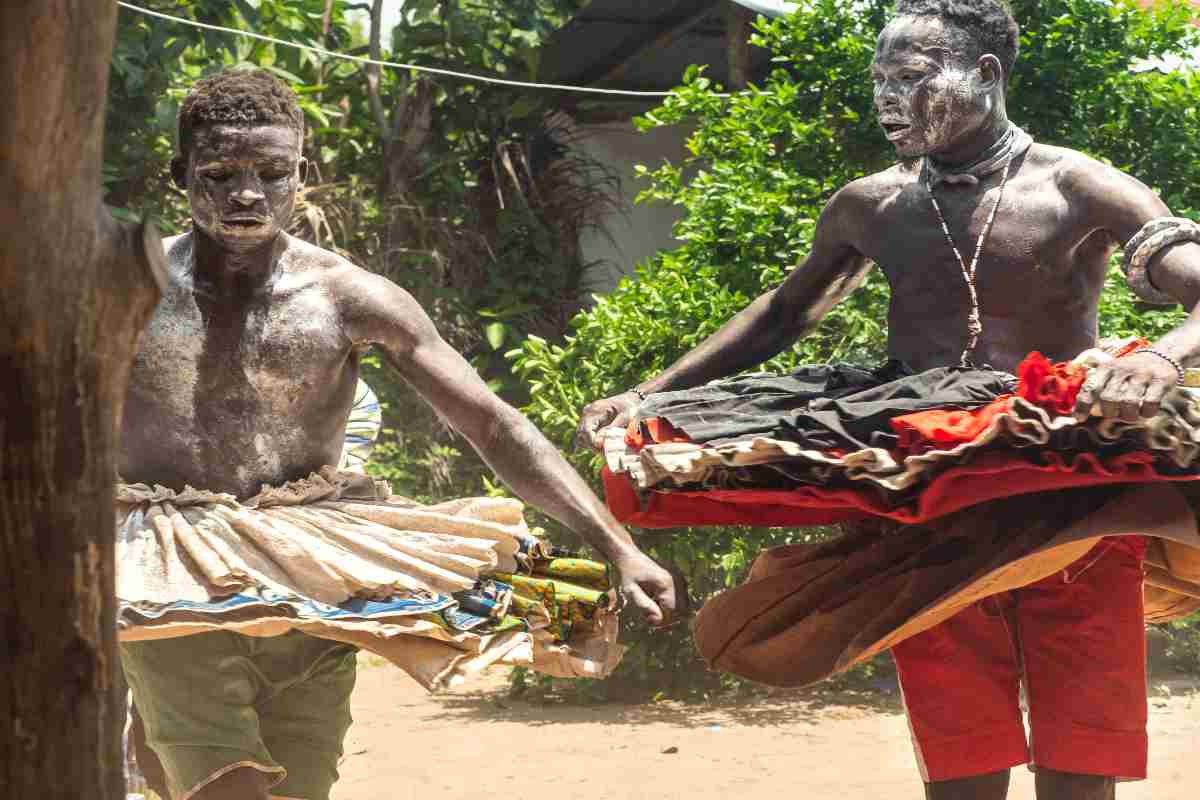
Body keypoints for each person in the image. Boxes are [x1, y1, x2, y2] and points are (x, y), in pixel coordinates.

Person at [577, 1, 1200, 797]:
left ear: (986, 75)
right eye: (879, 78)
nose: (886, 98)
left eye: (910, 77)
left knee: (1082, 756)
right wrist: (645, 394)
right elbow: (785, 313)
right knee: (960, 753)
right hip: (920, 493)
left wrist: (1162, 358)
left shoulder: (1080, 187)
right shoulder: (871, 204)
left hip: (1070, 493)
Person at [119, 68, 678, 800]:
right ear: (180, 175)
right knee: (230, 788)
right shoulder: (125, 287)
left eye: (272, 173)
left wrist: (619, 547)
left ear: (301, 174)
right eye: (221, 174)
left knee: (299, 786)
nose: (248, 195)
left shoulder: (349, 297)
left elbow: (493, 425)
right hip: (168, 568)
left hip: (316, 568)